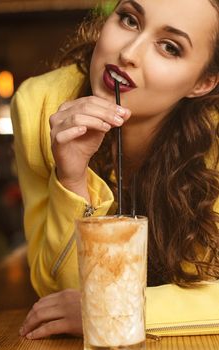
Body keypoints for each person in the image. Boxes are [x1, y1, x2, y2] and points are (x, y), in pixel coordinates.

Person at [11, 0, 219, 340]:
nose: (129, 53)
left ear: (203, 83)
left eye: (170, 47)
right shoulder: (40, 104)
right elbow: (57, 296)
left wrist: (115, 308)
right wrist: (72, 179)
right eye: (129, 20)